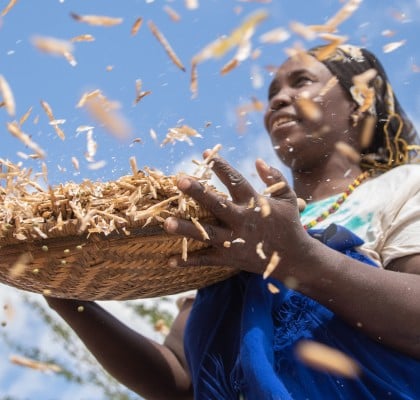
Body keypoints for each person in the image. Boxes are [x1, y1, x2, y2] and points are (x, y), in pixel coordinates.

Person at [45, 44, 420, 399]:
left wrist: (300, 259)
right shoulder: (240, 227)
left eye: (301, 81)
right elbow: (181, 380)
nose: (278, 99)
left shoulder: (403, 187)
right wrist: (67, 298)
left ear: (360, 103)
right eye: (273, 90)